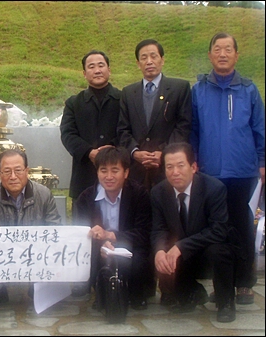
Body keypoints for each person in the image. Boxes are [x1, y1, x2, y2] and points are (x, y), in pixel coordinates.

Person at [190, 32, 265, 305]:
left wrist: (263, 161)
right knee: (217, 231)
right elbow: (193, 131)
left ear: (236, 54)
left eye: (228, 49)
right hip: (210, 173)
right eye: (217, 49)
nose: (222, 54)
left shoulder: (248, 89)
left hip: (244, 172)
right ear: (210, 55)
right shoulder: (198, 90)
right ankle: (222, 284)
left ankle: (244, 283)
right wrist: (193, 160)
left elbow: (260, 129)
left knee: (243, 227)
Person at [150, 142, 236, 323]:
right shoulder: (158, 193)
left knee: (219, 251)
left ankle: (225, 302)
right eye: (169, 167)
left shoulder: (214, 189)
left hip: (206, 248)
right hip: (179, 253)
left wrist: (181, 246)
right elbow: (159, 229)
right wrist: (159, 251)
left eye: (181, 166)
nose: (175, 172)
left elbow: (219, 230)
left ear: (193, 167)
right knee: (161, 254)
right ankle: (191, 291)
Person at [0, 149, 62, 307]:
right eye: (7, 171)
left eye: (18, 170)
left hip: (35, 250)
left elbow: (55, 226)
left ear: (27, 171)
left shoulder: (44, 194)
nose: (13, 176)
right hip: (3, 251)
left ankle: (39, 287)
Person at [74, 147, 154, 311]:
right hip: (99, 247)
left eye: (115, 170)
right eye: (103, 170)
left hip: (130, 244)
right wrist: (101, 243)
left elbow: (144, 232)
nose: (109, 176)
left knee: (140, 258)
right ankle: (101, 292)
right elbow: (80, 233)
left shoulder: (139, 194)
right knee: (93, 254)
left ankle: (136, 292)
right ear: (97, 172)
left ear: (126, 173)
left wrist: (110, 235)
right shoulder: (85, 198)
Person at [117, 39, 192, 192]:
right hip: (137, 170)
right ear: (138, 63)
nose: (149, 61)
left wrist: (164, 153)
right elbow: (122, 129)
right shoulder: (128, 93)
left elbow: (183, 126)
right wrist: (135, 152)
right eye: (144, 58)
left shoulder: (179, 88)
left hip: (168, 169)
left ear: (162, 60)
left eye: (154, 56)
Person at [60, 50, 122, 214]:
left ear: (109, 69)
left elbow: (128, 130)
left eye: (101, 65)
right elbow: (68, 134)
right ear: (84, 73)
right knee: (84, 228)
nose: (97, 70)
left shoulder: (123, 99)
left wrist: (112, 151)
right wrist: (89, 152)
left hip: (118, 172)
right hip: (84, 175)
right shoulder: (74, 103)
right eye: (91, 66)